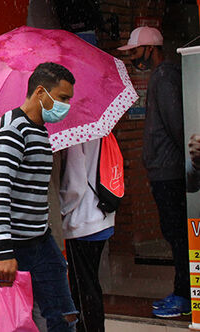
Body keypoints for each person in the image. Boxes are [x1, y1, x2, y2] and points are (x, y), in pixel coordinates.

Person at [0, 62, 78, 332]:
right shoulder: (12, 130)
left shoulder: (38, 130)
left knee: (63, 314)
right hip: (4, 245)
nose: (66, 106)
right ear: (40, 92)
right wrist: (4, 252)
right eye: (62, 98)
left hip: (38, 240)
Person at [119, 26, 188, 318]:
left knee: (178, 237)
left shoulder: (164, 77)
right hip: (165, 172)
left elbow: (177, 127)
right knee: (175, 235)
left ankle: (185, 295)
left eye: (135, 52)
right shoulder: (162, 77)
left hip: (171, 174)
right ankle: (184, 292)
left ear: (151, 49)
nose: (134, 58)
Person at [59, 139, 115, 332]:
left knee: (84, 291)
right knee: (91, 285)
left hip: (82, 222)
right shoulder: (101, 131)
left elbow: (75, 184)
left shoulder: (76, 134)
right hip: (102, 216)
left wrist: (60, 208)